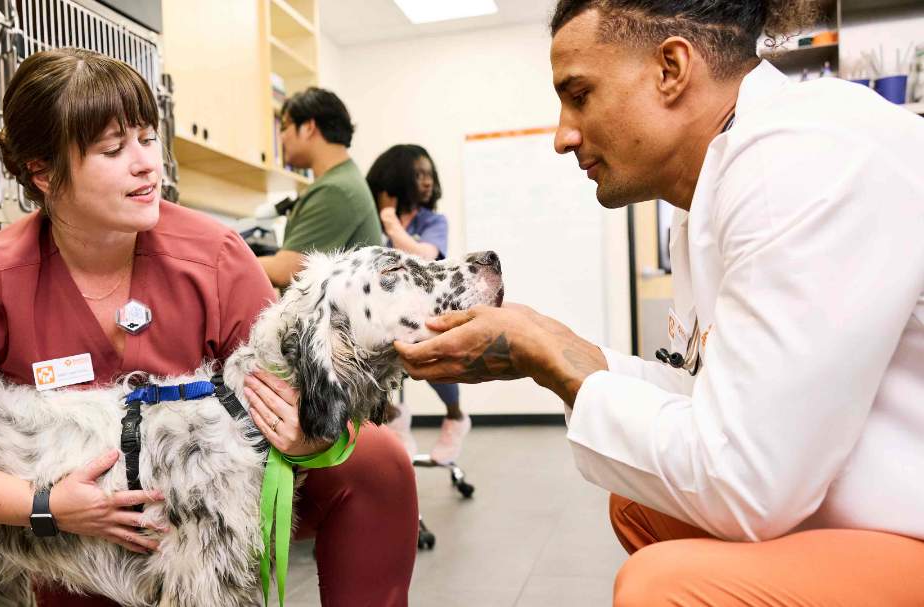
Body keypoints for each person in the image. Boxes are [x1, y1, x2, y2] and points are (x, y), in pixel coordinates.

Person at [395, 1, 924, 604]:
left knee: (661, 587)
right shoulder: (714, 186)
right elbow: (716, 400)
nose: (563, 135)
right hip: (864, 498)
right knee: (640, 502)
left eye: (580, 94)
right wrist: (548, 344)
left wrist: (552, 356)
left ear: (671, 68)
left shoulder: (804, 165)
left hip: (902, 515)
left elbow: (748, 482)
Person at [0, 48, 417, 606]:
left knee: (375, 462)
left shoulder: (216, 257)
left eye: (148, 139)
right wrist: (43, 504)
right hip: (70, 542)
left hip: (203, 522)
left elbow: (314, 389)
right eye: (113, 148)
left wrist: (308, 434)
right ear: (43, 172)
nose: (147, 164)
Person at [366, 144, 471, 464]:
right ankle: (393, 415)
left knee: (434, 365)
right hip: (387, 315)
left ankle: (456, 417)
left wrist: (391, 224)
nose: (426, 181)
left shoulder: (432, 220)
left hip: (424, 312)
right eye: (418, 175)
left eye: (430, 175)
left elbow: (424, 256)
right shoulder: (375, 219)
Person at [258, 87, 382, 288]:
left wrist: (230, 260)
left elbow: (285, 270)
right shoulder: (344, 180)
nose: (281, 137)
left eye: (284, 126)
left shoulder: (336, 190)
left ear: (308, 127)